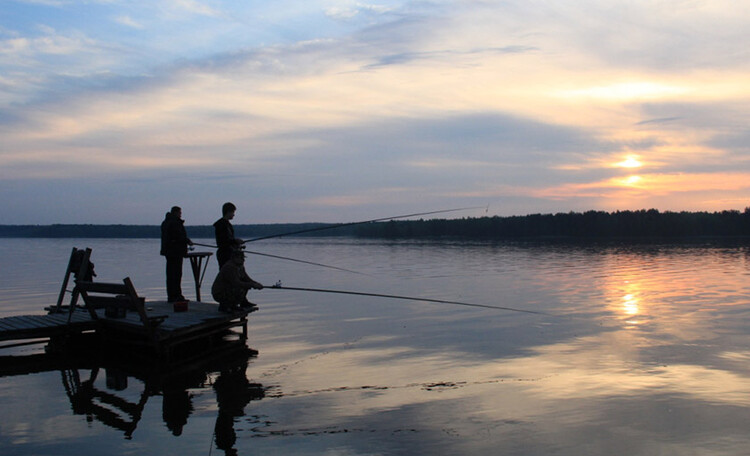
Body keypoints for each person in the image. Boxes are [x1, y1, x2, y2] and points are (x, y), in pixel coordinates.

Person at [160, 206, 193, 302]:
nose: (181, 215)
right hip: (176, 252)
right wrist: (187, 241)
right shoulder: (175, 223)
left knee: (170, 275)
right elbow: (178, 236)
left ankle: (172, 296)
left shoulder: (166, 222)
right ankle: (177, 296)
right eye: (180, 213)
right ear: (176, 212)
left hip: (169, 252)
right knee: (176, 274)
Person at [213, 202, 243, 268]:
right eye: (233, 212)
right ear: (228, 212)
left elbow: (229, 240)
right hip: (224, 254)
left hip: (229, 253)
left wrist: (235, 243)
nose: (234, 214)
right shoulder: (221, 225)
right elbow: (224, 240)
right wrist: (235, 241)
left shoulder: (227, 225)